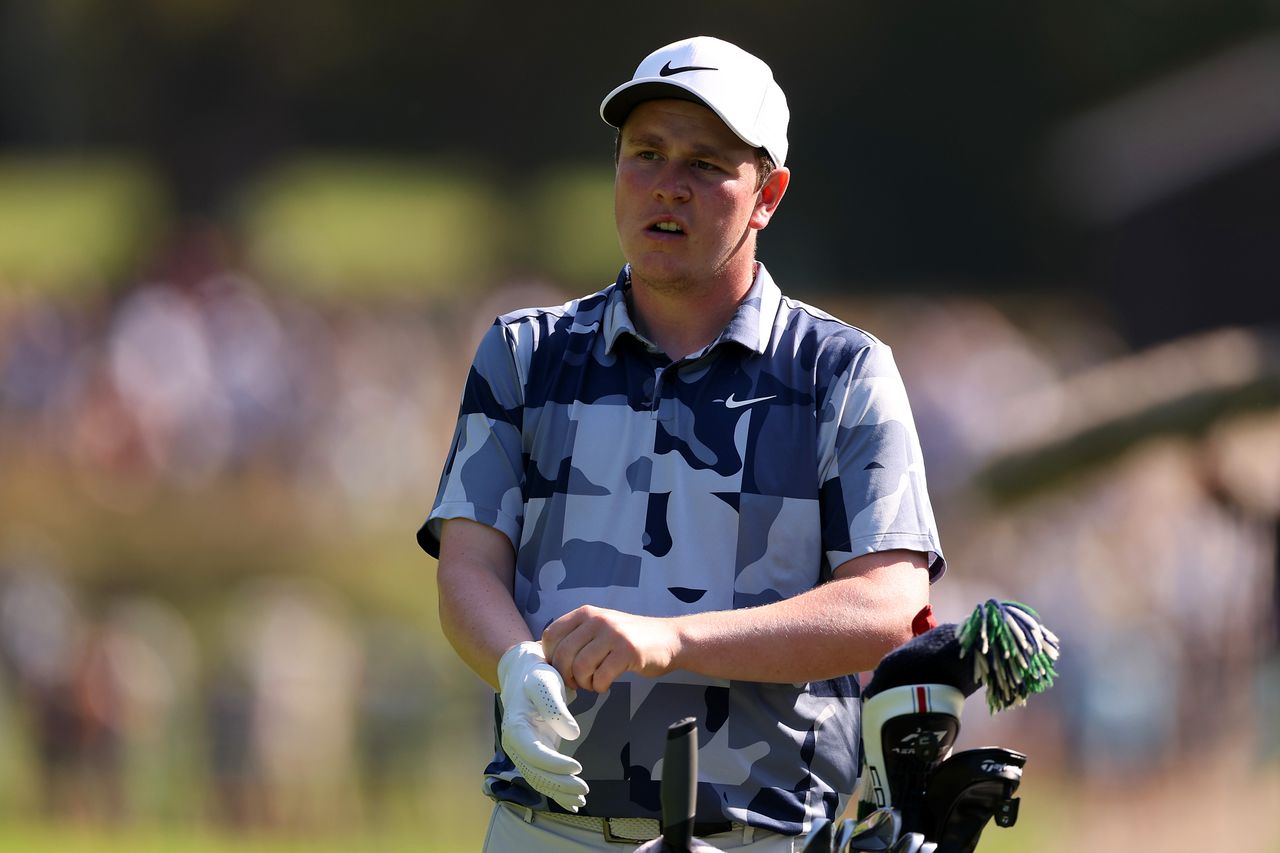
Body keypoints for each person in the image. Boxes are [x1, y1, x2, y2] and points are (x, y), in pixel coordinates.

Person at [418, 35, 945, 852]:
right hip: (542, 826)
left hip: (760, 834)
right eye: (646, 153)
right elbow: (467, 567)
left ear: (767, 196)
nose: (668, 185)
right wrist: (515, 662)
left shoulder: (841, 370)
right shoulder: (525, 354)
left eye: (706, 165)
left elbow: (887, 604)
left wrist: (671, 640)